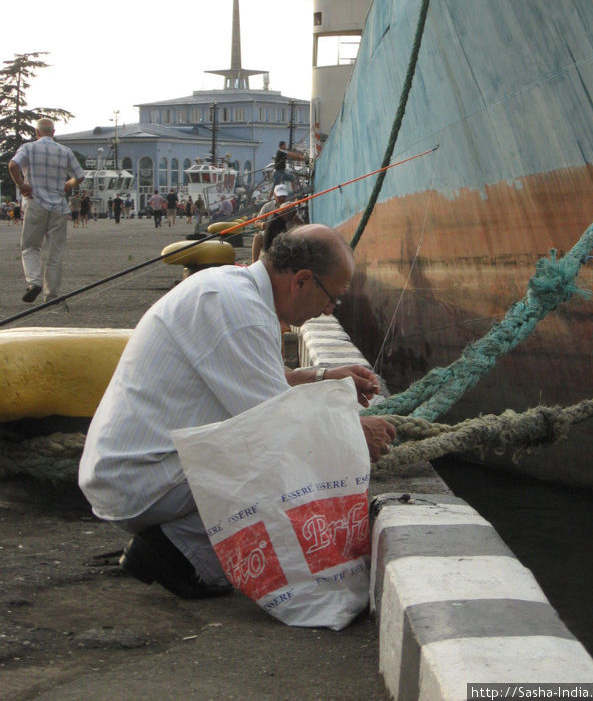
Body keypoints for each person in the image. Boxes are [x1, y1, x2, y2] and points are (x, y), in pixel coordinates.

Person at [79, 224, 396, 600]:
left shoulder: (231, 290)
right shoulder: (240, 311)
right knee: (286, 461)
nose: (328, 312)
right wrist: (355, 434)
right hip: (140, 479)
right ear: (303, 280)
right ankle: (178, 552)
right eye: (333, 298)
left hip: (137, 468)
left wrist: (323, 376)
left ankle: (178, 543)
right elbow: (277, 424)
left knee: (288, 452)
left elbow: (259, 380)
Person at [8, 117, 85, 303]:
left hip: (36, 203)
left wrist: (21, 185)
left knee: (30, 247)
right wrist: (68, 184)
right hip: (59, 207)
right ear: (53, 132)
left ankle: (34, 282)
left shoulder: (28, 148)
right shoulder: (65, 151)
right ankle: (51, 295)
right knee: (55, 253)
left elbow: (13, 165)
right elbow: (80, 176)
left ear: (36, 132)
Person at [251, 183, 287, 263]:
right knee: (258, 237)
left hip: (284, 234)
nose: (282, 198)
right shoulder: (268, 206)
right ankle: (254, 263)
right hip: (268, 233)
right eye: (279, 196)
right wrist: (262, 224)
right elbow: (256, 221)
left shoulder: (290, 206)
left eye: (283, 196)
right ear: (274, 195)